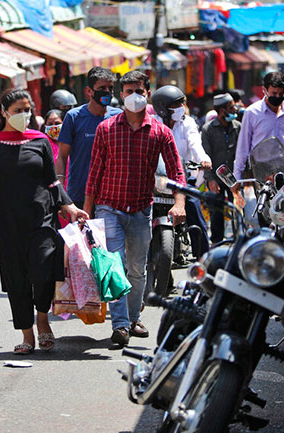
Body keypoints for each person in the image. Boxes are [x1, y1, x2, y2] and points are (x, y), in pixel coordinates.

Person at [0, 89, 87, 355]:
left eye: (27, 110)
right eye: (18, 110)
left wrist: (72, 207)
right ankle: (27, 333)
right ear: (4, 113)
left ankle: (42, 319)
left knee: (43, 273)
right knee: (16, 279)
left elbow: (52, 181)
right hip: (8, 225)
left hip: (42, 220)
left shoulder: (40, 141)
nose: (25, 115)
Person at [83, 70, 186, 346]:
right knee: (115, 266)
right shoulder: (106, 129)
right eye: (128, 92)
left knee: (137, 269)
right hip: (109, 207)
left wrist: (179, 202)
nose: (134, 96)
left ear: (147, 94)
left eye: (139, 91)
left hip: (141, 210)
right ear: (121, 95)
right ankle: (119, 326)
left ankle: (131, 318)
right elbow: (95, 173)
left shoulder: (161, 132)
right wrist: (86, 211)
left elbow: (177, 171)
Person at [151, 85, 212, 258]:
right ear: (163, 108)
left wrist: (203, 159)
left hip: (182, 177)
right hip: (157, 179)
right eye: (176, 105)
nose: (181, 109)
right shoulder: (153, 124)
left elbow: (195, 144)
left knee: (195, 212)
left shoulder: (188, 123)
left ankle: (204, 261)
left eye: (181, 104)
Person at [56, 67, 122, 209]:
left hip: (111, 197)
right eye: (102, 88)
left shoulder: (119, 117)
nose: (107, 92)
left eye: (110, 88)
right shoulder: (74, 117)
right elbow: (62, 156)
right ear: (89, 91)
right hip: (79, 195)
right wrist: (61, 190)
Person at [233, 71, 284, 181]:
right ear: (264, 90)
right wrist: (237, 177)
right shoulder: (252, 112)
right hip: (262, 171)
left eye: (281, 94)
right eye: (274, 93)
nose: (278, 97)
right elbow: (243, 146)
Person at [201, 92, 240, 243]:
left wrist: (241, 178)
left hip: (234, 177)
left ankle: (239, 240)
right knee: (216, 211)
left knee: (238, 210)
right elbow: (205, 155)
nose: (234, 110)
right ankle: (217, 243)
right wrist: (210, 179)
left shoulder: (238, 127)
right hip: (216, 177)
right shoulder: (208, 129)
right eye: (230, 107)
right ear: (221, 110)